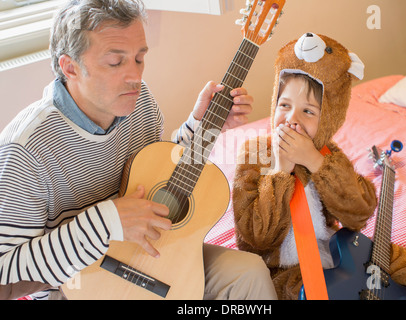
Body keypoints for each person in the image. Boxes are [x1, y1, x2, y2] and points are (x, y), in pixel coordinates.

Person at [0, 0, 277, 300]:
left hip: (150, 257)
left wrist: (203, 127)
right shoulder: (24, 151)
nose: (135, 76)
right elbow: (4, 274)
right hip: (76, 288)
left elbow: (157, 182)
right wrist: (106, 223)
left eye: (139, 58)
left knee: (249, 274)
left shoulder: (141, 102)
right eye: (116, 62)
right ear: (71, 67)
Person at [232, 33, 406, 300]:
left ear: (329, 118)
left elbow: (359, 213)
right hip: (286, 268)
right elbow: (257, 237)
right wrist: (279, 170)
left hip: (336, 250)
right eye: (284, 105)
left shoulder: (327, 153)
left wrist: (316, 162)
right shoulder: (253, 155)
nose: (291, 119)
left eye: (308, 111)